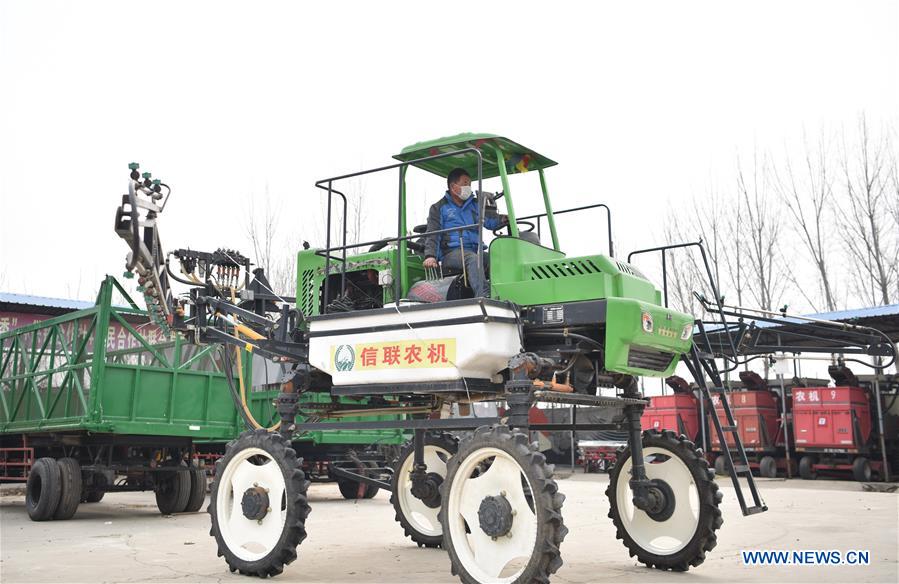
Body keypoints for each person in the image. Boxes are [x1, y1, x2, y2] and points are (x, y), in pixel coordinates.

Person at [422, 167, 507, 297]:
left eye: (470, 184)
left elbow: (490, 222)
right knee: (473, 259)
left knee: (497, 258)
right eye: (465, 183)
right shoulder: (439, 207)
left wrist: (503, 219)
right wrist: (430, 256)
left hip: (474, 250)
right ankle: (484, 295)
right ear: (453, 186)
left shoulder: (474, 205)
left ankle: (504, 293)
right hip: (451, 254)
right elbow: (433, 233)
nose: (469, 187)